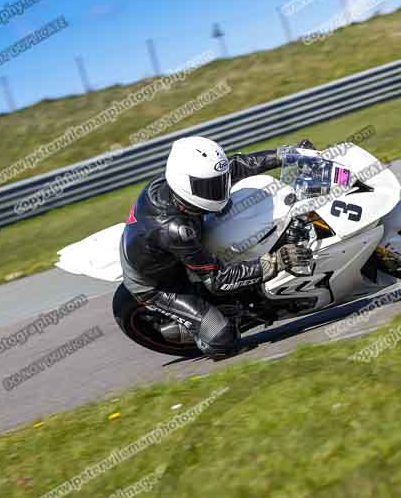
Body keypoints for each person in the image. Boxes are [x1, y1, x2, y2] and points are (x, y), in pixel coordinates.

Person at [119, 136, 315, 360]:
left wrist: (284, 155)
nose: (220, 189)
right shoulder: (174, 229)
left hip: (175, 248)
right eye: (211, 186)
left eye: (219, 182)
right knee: (223, 341)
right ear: (186, 184)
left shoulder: (180, 186)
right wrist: (276, 262)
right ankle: (208, 327)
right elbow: (219, 280)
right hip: (159, 285)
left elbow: (237, 166)